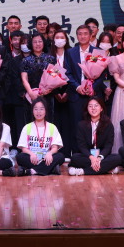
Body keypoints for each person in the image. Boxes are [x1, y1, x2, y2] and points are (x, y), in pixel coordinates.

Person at [65, 25, 106, 154]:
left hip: (93, 95)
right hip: (76, 95)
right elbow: (67, 73)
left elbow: (102, 75)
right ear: (77, 36)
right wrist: (77, 87)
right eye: (80, 34)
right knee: (76, 125)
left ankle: (94, 153)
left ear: (91, 35)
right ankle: (77, 154)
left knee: (94, 124)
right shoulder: (70, 52)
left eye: (85, 34)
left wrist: (92, 87)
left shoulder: (97, 52)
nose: (82, 36)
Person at [68, 97, 121, 175]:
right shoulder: (81, 125)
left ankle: (83, 171)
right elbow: (82, 146)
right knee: (75, 158)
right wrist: (92, 158)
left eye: (96, 105)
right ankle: (106, 169)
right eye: (90, 106)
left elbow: (108, 145)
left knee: (117, 158)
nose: (93, 108)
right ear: (87, 109)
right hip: (87, 156)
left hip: (102, 156)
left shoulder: (108, 124)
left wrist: (99, 158)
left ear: (101, 108)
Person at [16, 98, 64, 176]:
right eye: (36, 109)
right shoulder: (27, 127)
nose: (38, 112)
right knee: (20, 157)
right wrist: (31, 154)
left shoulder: (52, 127)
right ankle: (50, 169)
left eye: (41, 109)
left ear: (46, 111)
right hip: (32, 158)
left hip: (47, 158)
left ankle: (32, 171)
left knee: (60, 157)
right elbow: (23, 148)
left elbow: (55, 147)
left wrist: (50, 153)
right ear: (32, 111)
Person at [21, 33, 57, 119]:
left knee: (48, 120)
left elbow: (55, 76)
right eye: (35, 42)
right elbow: (24, 79)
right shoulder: (25, 60)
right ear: (31, 44)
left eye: (40, 41)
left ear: (44, 43)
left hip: (47, 95)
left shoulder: (51, 59)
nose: (37, 44)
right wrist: (30, 93)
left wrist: (48, 89)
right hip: (31, 96)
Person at [50, 29, 71, 157]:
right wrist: (56, 92)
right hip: (54, 94)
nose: (59, 40)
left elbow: (74, 74)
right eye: (57, 37)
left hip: (69, 93)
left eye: (62, 37)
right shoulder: (49, 56)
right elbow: (47, 76)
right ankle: (56, 151)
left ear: (66, 39)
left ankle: (67, 152)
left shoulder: (71, 54)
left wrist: (67, 92)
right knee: (56, 123)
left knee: (68, 123)